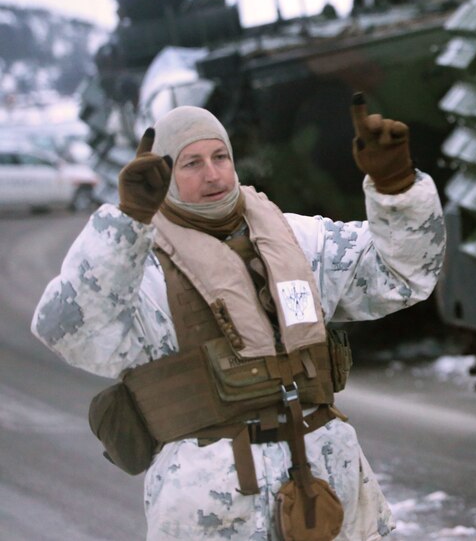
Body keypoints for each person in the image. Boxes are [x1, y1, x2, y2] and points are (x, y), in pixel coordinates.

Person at [32, 97, 445, 540]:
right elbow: (67, 330)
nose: (212, 174)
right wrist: (128, 222)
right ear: (164, 176)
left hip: (328, 489)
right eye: (190, 163)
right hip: (214, 508)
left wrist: (396, 187)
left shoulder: (295, 238)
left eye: (220, 157)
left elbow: (400, 275)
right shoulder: (138, 265)